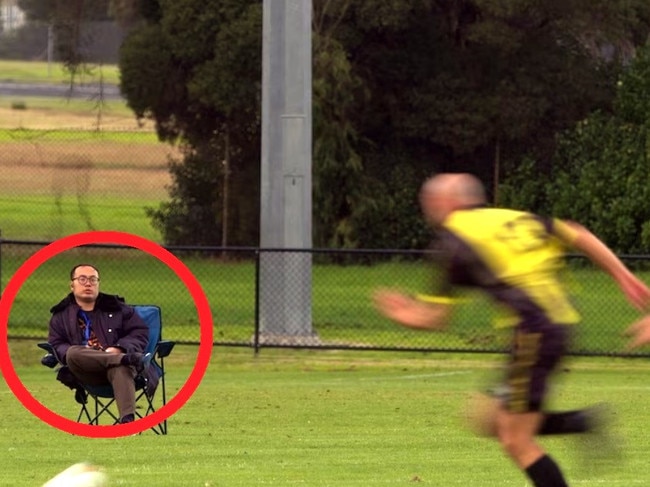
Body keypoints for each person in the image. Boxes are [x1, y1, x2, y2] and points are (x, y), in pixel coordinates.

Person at [373, 173, 650, 487]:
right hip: (554, 326)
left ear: (447, 202)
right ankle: (581, 421)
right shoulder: (512, 218)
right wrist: (622, 275)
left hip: (535, 331)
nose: (427, 206)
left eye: (430, 199)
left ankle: (581, 424)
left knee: (515, 440)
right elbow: (576, 232)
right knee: (486, 418)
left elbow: (436, 319)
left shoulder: (453, 241)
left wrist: (400, 313)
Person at [48, 263, 152, 424]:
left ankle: (127, 422)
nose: (88, 283)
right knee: (73, 352)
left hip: (117, 369)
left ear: (98, 283)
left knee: (120, 366)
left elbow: (139, 332)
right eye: (82, 279)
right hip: (85, 370)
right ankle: (126, 358)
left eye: (93, 279)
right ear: (72, 285)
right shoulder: (61, 316)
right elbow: (57, 343)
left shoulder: (118, 308)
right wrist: (87, 352)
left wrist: (119, 348)